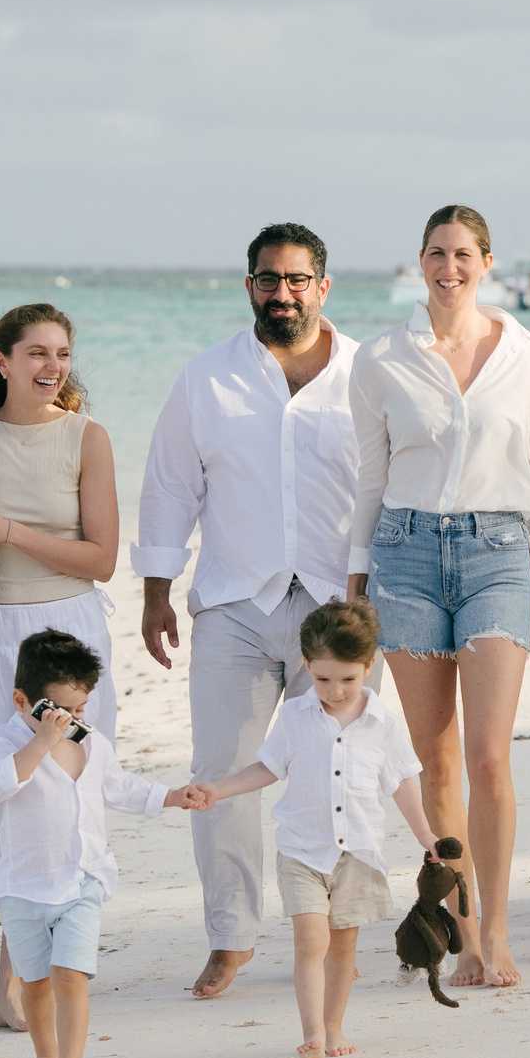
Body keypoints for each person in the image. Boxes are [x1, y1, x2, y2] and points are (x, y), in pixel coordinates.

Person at [349, 204, 530, 989]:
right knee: (437, 763)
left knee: (489, 757)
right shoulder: (383, 357)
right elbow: (371, 476)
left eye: (462, 254)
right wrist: (356, 570)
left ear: (487, 262)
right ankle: (460, 926)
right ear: (419, 262)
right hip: (406, 555)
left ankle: (497, 930)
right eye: (434, 254)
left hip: (497, 554)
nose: (448, 268)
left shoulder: (527, 356)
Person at [133, 222, 368, 1002]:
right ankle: (230, 936)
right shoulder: (207, 377)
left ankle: (337, 930)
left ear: (324, 288)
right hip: (234, 601)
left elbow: (391, 484)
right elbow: (170, 485)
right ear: (250, 288)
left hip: (337, 609)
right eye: (270, 280)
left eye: (299, 280)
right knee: (221, 775)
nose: (284, 294)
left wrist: (376, 590)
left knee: (339, 773)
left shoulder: (365, 375)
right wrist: (157, 589)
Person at [0, 303, 120, 1030]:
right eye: (36, 353)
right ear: (3, 360)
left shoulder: (87, 438)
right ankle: (18, 980)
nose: (52, 368)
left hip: (68, 629)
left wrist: (8, 528)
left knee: (64, 793)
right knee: (10, 796)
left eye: (63, 355)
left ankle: (26, 984)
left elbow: (101, 558)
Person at [190, 601, 442, 1058]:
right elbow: (266, 769)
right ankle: (312, 1034)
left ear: (369, 666)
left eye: (348, 678)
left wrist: (426, 836)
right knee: (311, 941)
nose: (336, 690)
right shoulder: (294, 717)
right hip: (303, 853)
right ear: (306, 666)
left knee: (342, 950)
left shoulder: (384, 723)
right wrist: (219, 789)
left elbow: (403, 782)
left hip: (359, 855)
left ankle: (334, 1025)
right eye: (323, 679)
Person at [0, 630, 201, 1058]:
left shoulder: (93, 744)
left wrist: (171, 797)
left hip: (83, 879)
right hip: (23, 889)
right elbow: (1, 784)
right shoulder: (2, 742)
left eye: (80, 711)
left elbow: (119, 787)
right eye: (61, 711)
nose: (73, 721)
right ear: (24, 700)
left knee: (71, 977)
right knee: (35, 986)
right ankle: (46, 1057)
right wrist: (42, 740)